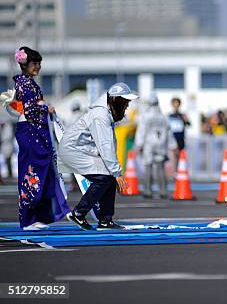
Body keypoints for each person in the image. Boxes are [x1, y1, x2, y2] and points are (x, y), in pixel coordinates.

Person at [58, 82, 137, 230]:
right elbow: (105, 145)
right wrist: (117, 173)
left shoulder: (106, 112)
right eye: (125, 101)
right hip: (74, 150)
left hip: (81, 149)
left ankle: (106, 220)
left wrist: (115, 172)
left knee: (108, 176)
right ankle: (79, 213)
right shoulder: (100, 115)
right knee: (105, 178)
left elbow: (108, 145)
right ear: (114, 99)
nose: (127, 105)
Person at [13, 46, 70, 230]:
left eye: (39, 63)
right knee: (31, 173)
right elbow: (29, 109)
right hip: (30, 131)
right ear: (25, 65)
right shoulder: (23, 83)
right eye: (34, 63)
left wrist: (43, 106)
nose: (37, 67)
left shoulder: (28, 82)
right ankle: (28, 219)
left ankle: (39, 216)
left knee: (42, 172)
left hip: (34, 131)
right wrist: (46, 108)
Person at [135, 93, 177, 199]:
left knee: (148, 166)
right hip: (161, 144)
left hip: (149, 143)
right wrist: (173, 145)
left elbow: (141, 131)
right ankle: (163, 191)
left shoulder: (145, 116)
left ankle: (148, 190)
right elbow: (169, 132)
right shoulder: (163, 116)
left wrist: (139, 144)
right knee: (160, 167)